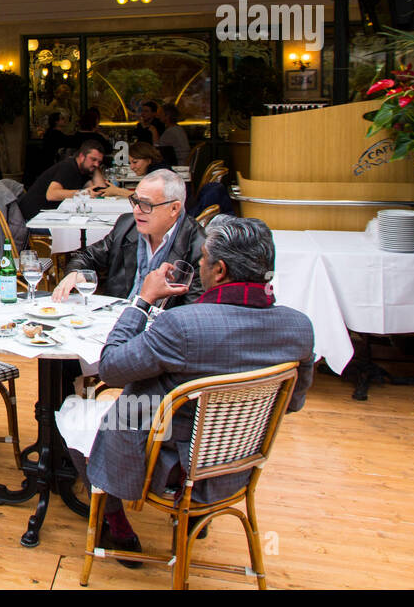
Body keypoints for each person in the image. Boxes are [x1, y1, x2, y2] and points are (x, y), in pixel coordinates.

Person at [74, 216, 314, 561]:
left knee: (75, 410)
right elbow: (292, 403)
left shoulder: (182, 326)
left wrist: (142, 301)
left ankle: (115, 523)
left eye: (203, 259)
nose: (199, 265)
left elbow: (110, 369)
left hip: (172, 466)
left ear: (219, 270)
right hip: (240, 461)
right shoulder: (299, 328)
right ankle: (193, 516)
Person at [52, 169, 202, 307]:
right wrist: (75, 272)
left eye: (145, 204)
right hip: (116, 315)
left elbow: (193, 312)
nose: (136, 210)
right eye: (135, 201)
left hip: (163, 324)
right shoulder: (127, 226)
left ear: (174, 208)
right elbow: (87, 256)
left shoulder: (199, 248)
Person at [18, 140, 107, 220]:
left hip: (50, 216)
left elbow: (101, 191)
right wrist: (82, 193)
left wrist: (95, 168)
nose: (96, 164)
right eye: (93, 159)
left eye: (99, 162)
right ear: (81, 156)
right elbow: (51, 195)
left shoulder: (83, 171)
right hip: (34, 219)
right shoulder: (68, 167)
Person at [100, 142, 169, 199]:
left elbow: (147, 198)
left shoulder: (160, 175)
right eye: (130, 163)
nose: (131, 167)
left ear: (148, 160)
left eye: (135, 162)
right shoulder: (159, 171)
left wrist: (117, 191)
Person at [156, 103, 189, 167]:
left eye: (161, 113)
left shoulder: (170, 132)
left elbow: (159, 150)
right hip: (184, 162)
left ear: (167, 116)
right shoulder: (179, 129)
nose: (158, 115)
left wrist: (153, 131)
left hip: (177, 164)